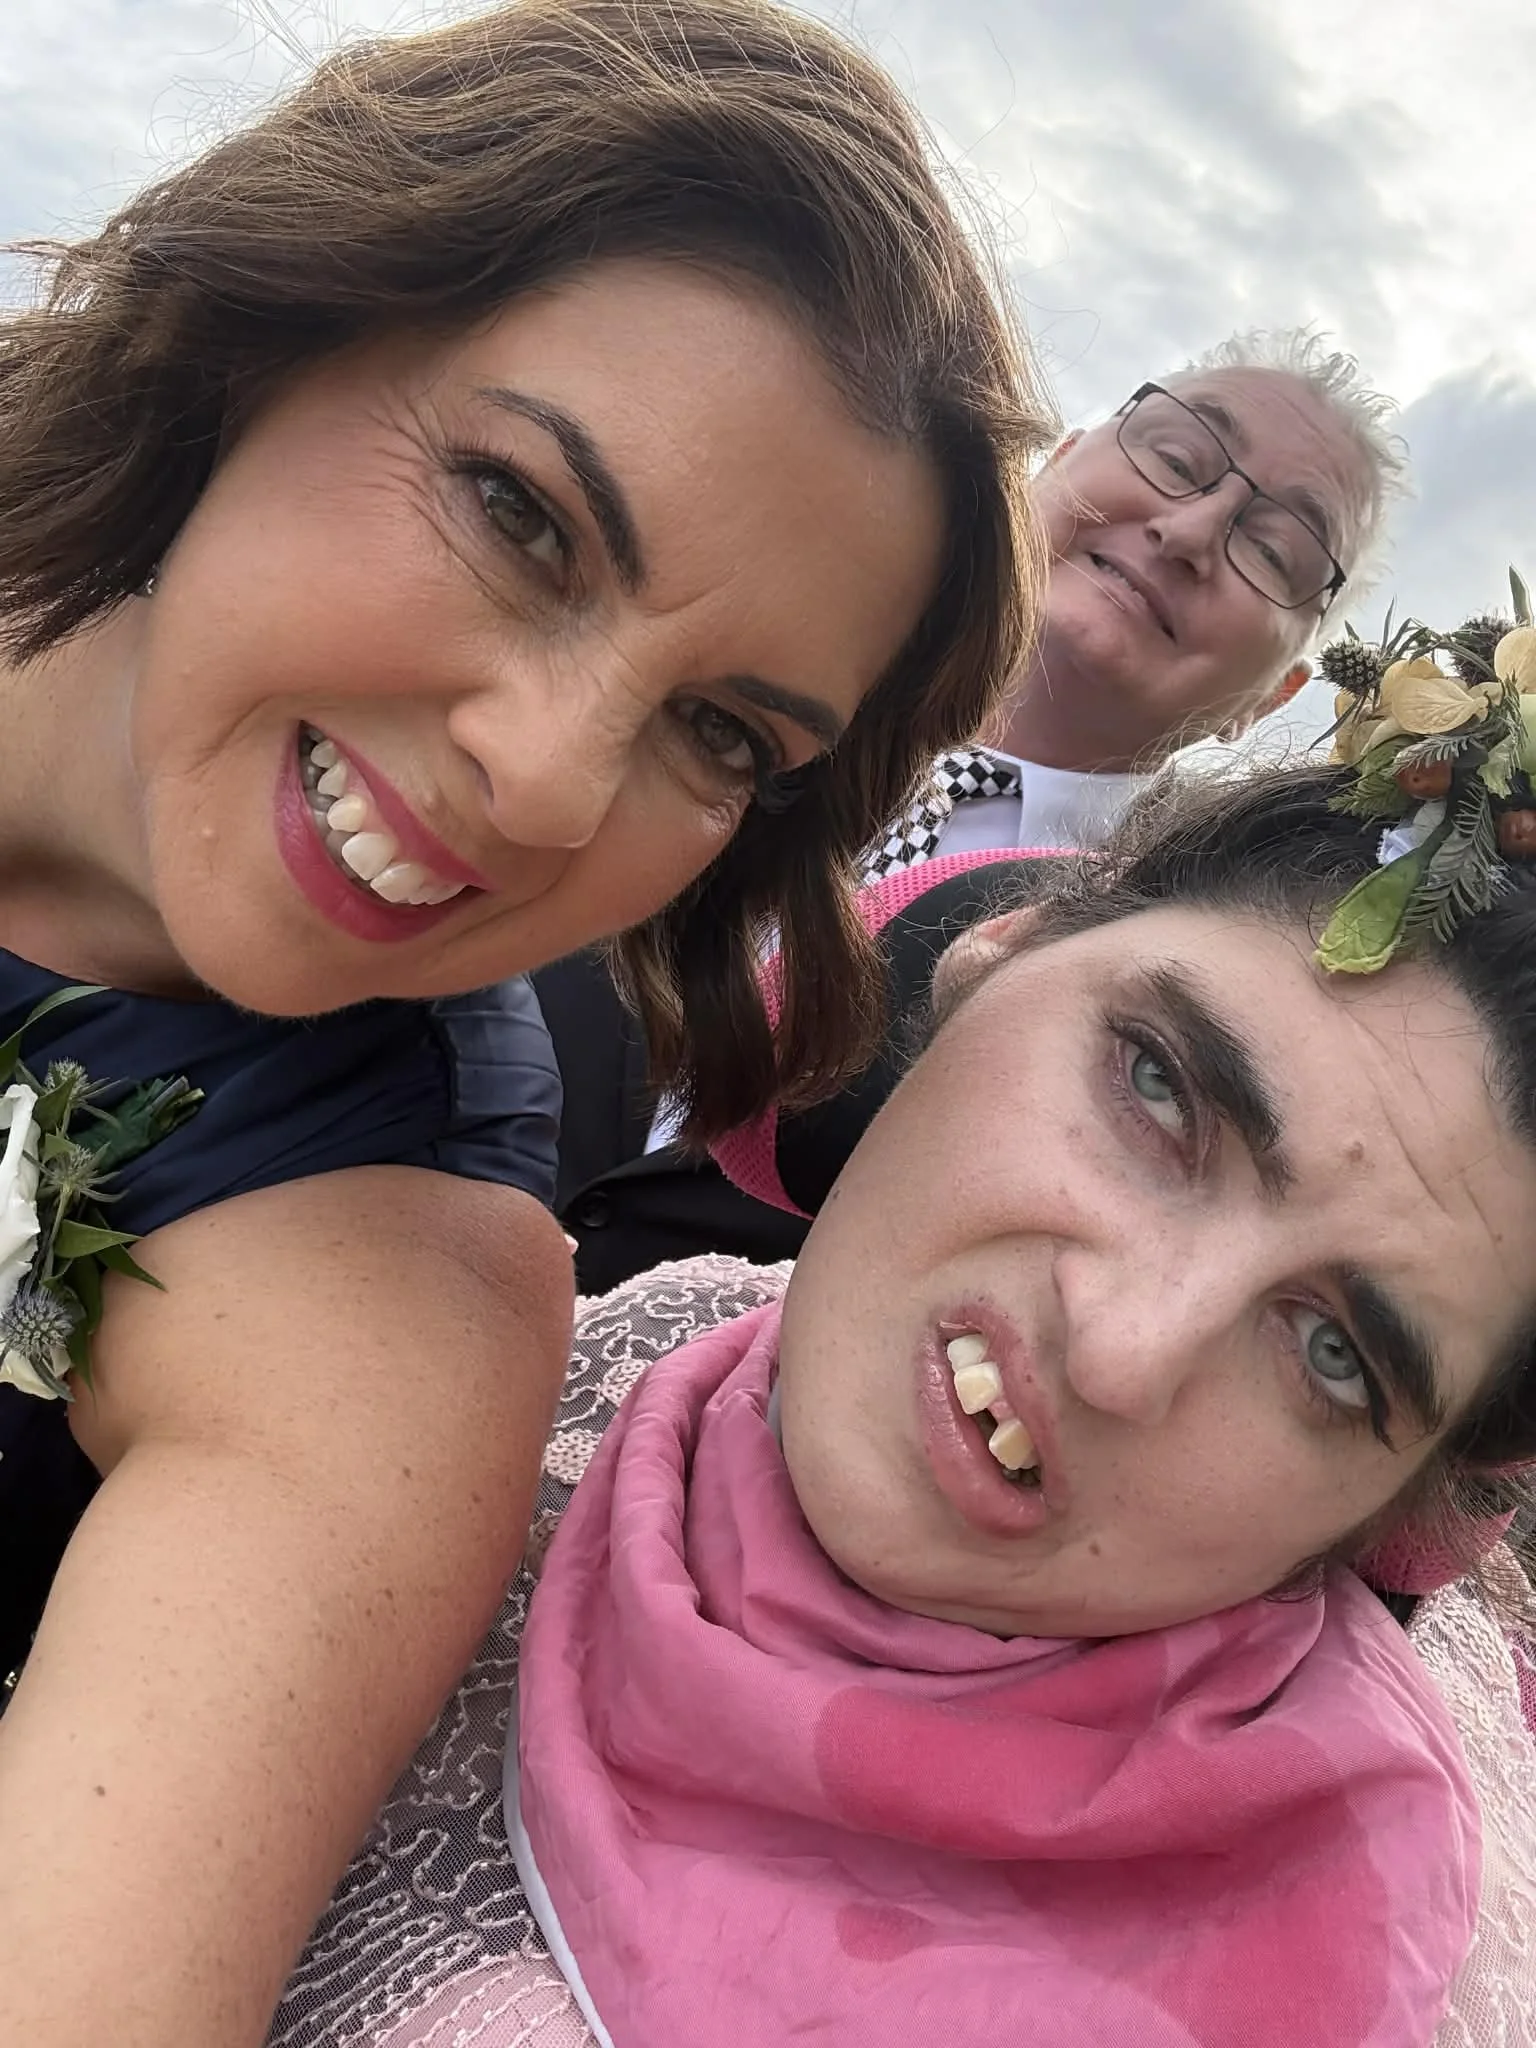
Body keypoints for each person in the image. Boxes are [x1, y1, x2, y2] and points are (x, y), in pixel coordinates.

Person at [0, 4, 1051, 2041]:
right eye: (523, 514)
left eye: (721, 733)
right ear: (275, 318)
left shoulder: (381, 1292)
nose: (553, 784)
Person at [271, 756, 1536, 2048]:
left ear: (1398, 1501)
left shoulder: (1380, 1949)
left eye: (1334, 1357)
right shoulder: (582, 1356)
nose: (1120, 1353)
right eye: (1160, 1089)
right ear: (997, 949)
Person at [544, 330, 1407, 1289]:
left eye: (1277, 551)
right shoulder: (711, 647)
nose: (1191, 532)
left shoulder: (1151, 1000)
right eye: (1176, 458)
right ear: (1062, 455)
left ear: (1273, 700)